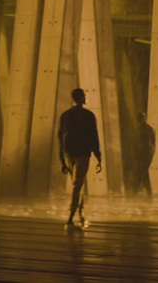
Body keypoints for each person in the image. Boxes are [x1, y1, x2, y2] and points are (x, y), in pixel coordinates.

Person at [57, 88, 102, 230]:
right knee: (78, 184)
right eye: (84, 95)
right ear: (81, 98)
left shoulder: (65, 115)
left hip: (69, 153)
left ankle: (80, 212)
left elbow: (60, 137)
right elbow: (93, 136)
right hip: (83, 153)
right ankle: (71, 215)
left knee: (77, 184)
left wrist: (62, 159)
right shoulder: (89, 115)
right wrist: (98, 156)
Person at [129, 112, 155, 200]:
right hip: (146, 154)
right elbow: (152, 144)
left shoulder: (142, 129)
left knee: (142, 173)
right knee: (142, 173)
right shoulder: (149, 129)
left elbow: (140, 143)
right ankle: (141, 192)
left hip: (143, 155)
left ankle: (139, 192)